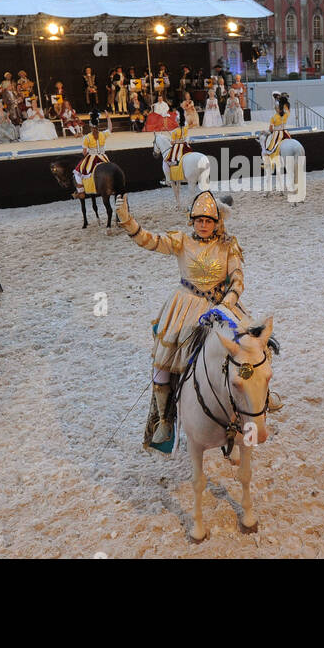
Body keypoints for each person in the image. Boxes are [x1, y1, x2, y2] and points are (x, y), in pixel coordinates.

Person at [115, 190, 245, 453]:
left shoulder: (229, 245)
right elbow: (149, 240)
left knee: (251, 350)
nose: (203, 225)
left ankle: (258, 404)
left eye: (208, 221)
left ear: (217, 222)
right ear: (192, 221)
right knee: (162, 364)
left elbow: (238, 279)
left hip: (220, 306)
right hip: (184, 307)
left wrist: (224, 306)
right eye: (199, 220)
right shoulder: (181, 240)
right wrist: (128, 220)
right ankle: (165, 419)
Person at [72, 113, 110, 199]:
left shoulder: (87, 137)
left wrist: (86, 155)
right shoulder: (103, 134)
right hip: (103, 157)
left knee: (77, 172)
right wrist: (108, 118)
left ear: (90, 127)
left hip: (92, 157)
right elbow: (110, 129)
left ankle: (81, 192)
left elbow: (84, 152)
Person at [265, 92, 292, 160]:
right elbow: (287, 109)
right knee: (290, 141)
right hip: (285, 132)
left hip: (277, 133)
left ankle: (269, 161)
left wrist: (269, 131)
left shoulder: (274, 117)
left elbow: (271, 129)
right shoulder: (287, 115)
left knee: (271, 147)